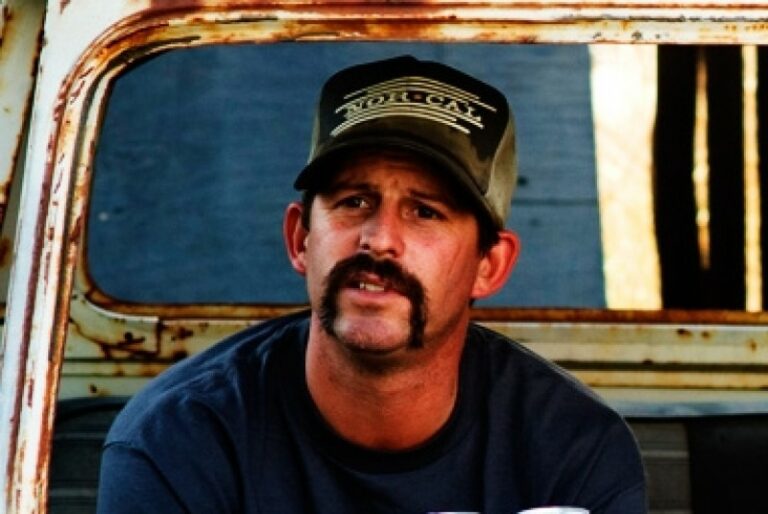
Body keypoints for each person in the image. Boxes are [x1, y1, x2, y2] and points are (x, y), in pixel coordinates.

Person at [97, 55, 646, 513]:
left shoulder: (572, 449)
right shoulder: (182, 440)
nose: (380, 240)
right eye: (354, 201)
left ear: (490, 265)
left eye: (425, 212)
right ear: (300, 239)